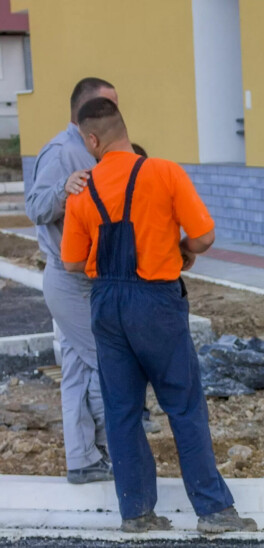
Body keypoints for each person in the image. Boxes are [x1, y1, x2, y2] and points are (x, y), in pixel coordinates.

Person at [60, 98, 255, 534]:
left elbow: (72, 263)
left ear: (92, 139)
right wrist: (179, 249)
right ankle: (215, 512)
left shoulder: (82, 189)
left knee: (122, 410)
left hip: (106, 304)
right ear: (122, 130)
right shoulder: (164, 171)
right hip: (156, 303)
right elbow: (203, 235)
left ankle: (137, 513)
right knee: (183, 405)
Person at [24, 77, 117, 484]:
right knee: (107, 362)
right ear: (86, 111)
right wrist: (64, 189)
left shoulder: (95, 147)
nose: (118, 112)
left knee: (78, 368)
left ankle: (83, 460)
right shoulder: (63, 152)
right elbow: (35, 207)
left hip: (86, 278)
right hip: (69, 279)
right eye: (109, 105)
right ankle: (114, 447)